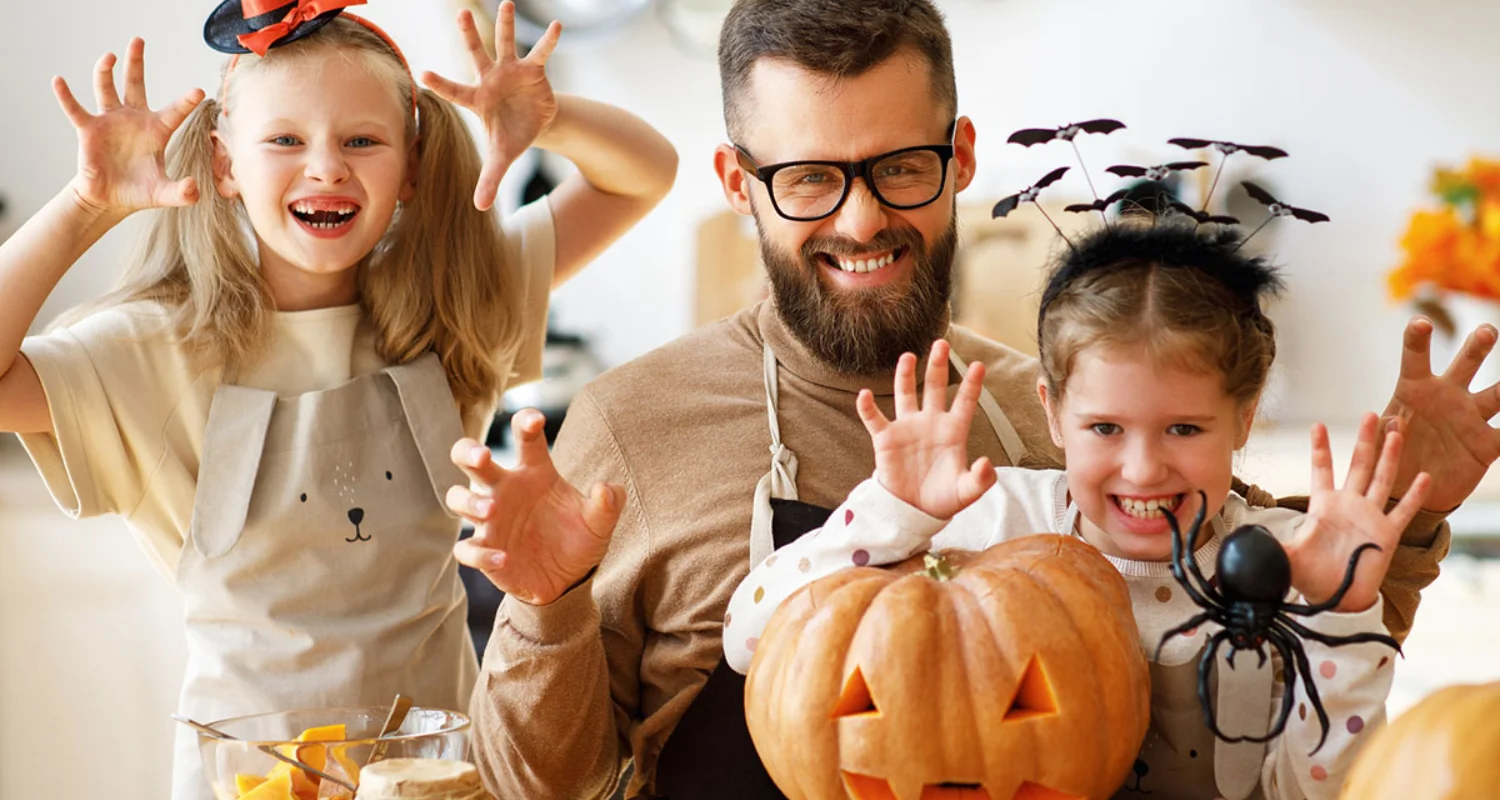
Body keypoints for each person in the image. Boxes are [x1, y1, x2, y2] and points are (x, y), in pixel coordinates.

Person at [443, 1, 1494, 797]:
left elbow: (1289, 662)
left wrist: (1411, 521)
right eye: (809, 177)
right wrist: (545, 609)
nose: (861, 219)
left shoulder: (1075, 416)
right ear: (736, 180)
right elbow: (539, 786)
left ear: (961, 158)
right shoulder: (633, 422)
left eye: (900, 165)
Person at [0, 2, 675, 798]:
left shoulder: (453, 305)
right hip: (244, 781)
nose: (326, 167)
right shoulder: (156, 350)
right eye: (285, 139)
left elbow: (643, 174)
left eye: (362, 140)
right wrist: (88, 204)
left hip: (436, 774)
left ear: (413, 166)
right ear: (223, 165)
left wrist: (547, 120)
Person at [723, 222, 1431, 799]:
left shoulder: (1290, 562)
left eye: (1185, 429)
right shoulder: (996, 521)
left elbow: (1321, 791)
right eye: (1106, 429)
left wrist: (1342, 615)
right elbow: (751, 640)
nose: (1143, 467)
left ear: (1243, 419)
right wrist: (892, 512)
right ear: (1053, 414)